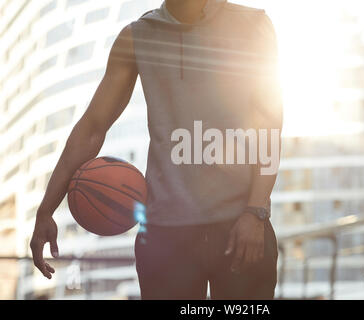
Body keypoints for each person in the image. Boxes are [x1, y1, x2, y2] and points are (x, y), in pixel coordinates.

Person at [30, 0, 283, 300]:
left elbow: (269, 123)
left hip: (239, 223)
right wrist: (46, 210)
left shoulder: (252, 24)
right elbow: (93, 127)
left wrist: (256, 211)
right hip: (166, 234)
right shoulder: (137, 36)